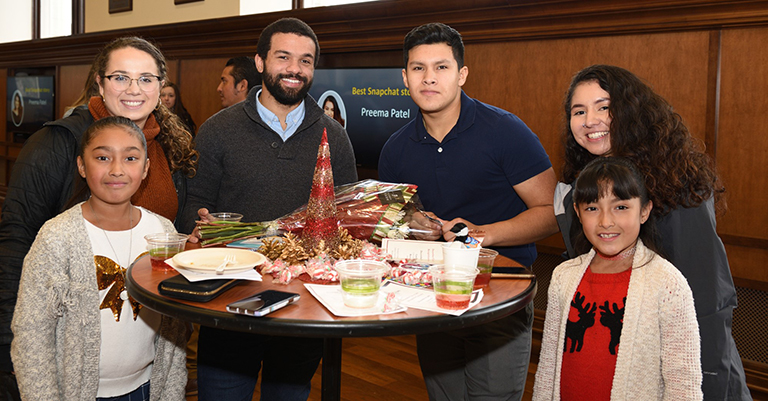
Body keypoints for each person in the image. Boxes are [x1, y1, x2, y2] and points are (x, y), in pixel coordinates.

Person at [0, 36, 197, 398]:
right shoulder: (57, 143)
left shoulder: (172, 144)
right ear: (100, 82)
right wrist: (8, 352)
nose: (134, 89)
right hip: (68, 356)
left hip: (143, 352)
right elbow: (16, 245)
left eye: (146, 79)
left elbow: (170, 234)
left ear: (160, 86)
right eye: (121, 77)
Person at [378, 23, 558, 400]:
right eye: (418, 68)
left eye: (441, 67)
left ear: (461, 74)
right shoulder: (394, 149)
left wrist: (484, 233)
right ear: (404, 77)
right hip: (431, 296)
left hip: (501, 297)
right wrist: (414, 225)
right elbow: (395, 223)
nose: (429, 78)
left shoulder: (507, 132)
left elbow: (549, 212)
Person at [180, 17, 357, 400]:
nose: (295, 69)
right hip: (228, 300)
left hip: (303, 308)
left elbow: (348, 218)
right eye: (283, 57)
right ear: (260, 63)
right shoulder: (217, 130)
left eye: (306, 60)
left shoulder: (335, 137)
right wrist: (199, 223)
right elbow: (192, 204)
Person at [554, 64, 750, 400]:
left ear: (630, 112)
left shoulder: (676, 183)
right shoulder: (579, 188)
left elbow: (705, 292)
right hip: (614, 355)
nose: (589, 120)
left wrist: (706, 377)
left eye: (604, 107)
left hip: (681, 357)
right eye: (579, 111)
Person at [11, 116, 188, 400]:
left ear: (146, 168)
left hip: (147, 388)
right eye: (103, 157)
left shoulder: (162, 232)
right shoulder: (57, 236)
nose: (117, 170)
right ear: (82, 166)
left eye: (131, 158)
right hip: (78, 392)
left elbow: (176, 326)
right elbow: (31, 335)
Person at [534, 157, 702, 400]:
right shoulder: (564, 276)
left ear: (644, 211)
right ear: (578, 214)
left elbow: (683, 383)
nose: (605, 221)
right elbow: (549, 363)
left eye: (620, 207)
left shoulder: (667, 284)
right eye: (592, 208)